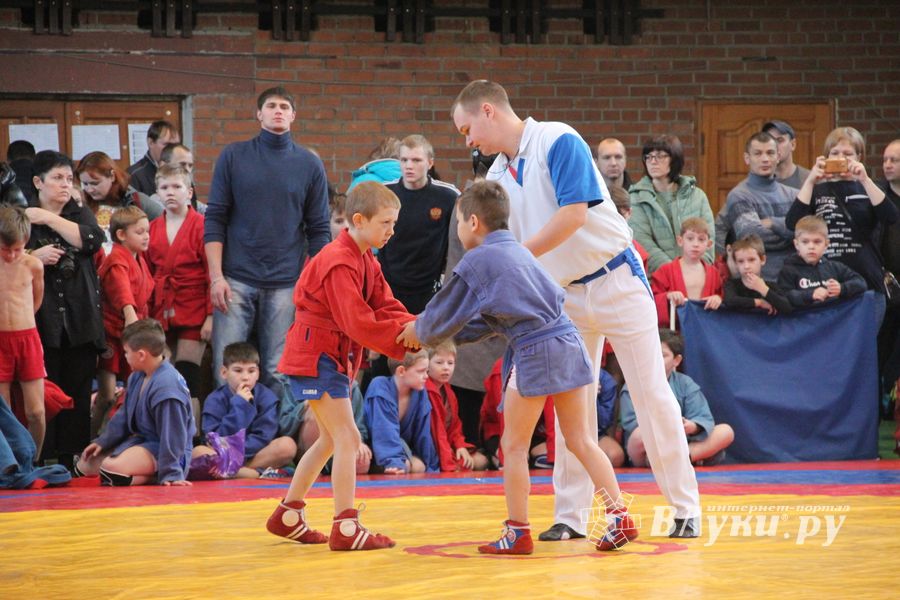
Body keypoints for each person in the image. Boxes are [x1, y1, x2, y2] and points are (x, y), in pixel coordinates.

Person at [449, 80, 700, 541]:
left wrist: (515, 258)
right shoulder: (497, 179)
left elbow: (574, 215)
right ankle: (571, 515)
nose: (468, 142)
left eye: (467, 129)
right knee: (571, 408)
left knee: (651, 393)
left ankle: (685, 508)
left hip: (616, 279)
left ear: (488, 110)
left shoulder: (556, 138)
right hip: (562, 294)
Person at [400, 180, 636, 553]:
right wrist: (439, 334)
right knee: (580, 439)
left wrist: (419, 331)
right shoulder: (519, 251)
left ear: (473, 222)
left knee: (512, 445)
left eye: (458, 222)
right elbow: (486, 321)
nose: (458, 229)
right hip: (567, 339)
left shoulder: (479, 258)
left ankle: (517, 531)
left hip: (536, 349)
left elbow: (444, 311)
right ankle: (619, 515)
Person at [265, 181, 414, 552]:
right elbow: (357, 321)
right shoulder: (338, 260)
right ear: (359, 221)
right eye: (385, 223)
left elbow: (384, 304)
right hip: (318, 355)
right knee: (348, 437)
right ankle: (345, 526)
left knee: (332, 439)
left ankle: (288, 514)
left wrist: (419, 326)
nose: (391, 231)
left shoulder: (365, 258)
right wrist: (405, 339)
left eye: (394, 223)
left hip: (327, 355)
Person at [204, 87, 330, 395]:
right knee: (227, 367)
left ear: (293, 116)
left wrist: (317, 283)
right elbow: (215, 218)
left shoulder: (309, 164)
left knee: (278, 370)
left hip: (287, 282)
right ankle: (227, 427)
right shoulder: (233, 156)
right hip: (235, 279)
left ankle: (274, 427)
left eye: (284, 106)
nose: (278, 111)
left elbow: (319, 230)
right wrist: (216, 277)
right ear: (259, 114)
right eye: (271, 105)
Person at [26, 151, 106, 470]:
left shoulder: (79, 213)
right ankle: (41, 455)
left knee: (78, 388)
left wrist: (48, 218)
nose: (65, 185)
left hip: (79, 316)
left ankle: (71, 457)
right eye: (57, 178)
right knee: (45, 390)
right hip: (41, 317)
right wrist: (34, 257)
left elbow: (93, 240)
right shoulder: (22, 216)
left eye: (69, 179)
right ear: (38, 182)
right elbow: (9, 255)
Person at [785, 127, 898, 321]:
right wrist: (811, 181)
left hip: (866, 278)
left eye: (847, 154)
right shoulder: (817, 191)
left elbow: (891, 217)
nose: (840, 158)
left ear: (858, 157)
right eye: (834, 153)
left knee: (865, 337)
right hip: (826, 282)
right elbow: (792, 223)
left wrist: (864, 179)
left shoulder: (870, 188)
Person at [77, 319, 195, 486]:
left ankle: (157, 476)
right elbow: (123, 416)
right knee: (85, 466)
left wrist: (171, 473)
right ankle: (138, 473)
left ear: (141, 355)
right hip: (141, 441)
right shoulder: (137, 376)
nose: (125, 357)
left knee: (110, 468)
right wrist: (103, 442)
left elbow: (173, 436)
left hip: (166, 449)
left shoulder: (168, 387)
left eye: (126, 352)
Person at [145, 164, 211, 402]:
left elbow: (211, 274)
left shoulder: (202, 226)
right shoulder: (151, 228)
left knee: (188, 373)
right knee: (164, 372)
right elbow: (146, 274)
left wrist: (211, 316)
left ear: (189, 192)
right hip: (160, 307)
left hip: (194, 307)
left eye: (177, 186)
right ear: (157, 193)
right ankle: (169, 421)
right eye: (164, 188)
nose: (170, 192)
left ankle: (192, 425)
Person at [620, 329, 734, 467]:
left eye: (663, 355)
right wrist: (666, 426)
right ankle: (665, 460)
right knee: (639, 435)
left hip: (684, 441)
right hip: (651, 446)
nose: (655, 360)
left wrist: (692, 426)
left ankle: (684, 458)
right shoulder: (633, 386)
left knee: (725, 431)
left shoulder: (686, 384)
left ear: (676, 360)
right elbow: (631, 424)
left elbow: (703, 418)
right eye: (651, 354)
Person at [191, 342, 296, 479]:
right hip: (223, 452)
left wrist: (237, 454)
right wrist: (239, 405)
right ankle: (252, 473)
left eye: (251, 371)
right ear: (224, 372)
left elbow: (264, 436)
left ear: (258, 373)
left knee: (287, 445)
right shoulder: (214, 399)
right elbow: (214, 438)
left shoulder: (267, 397)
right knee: (198, 452)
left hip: (254, 454)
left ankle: (232, 471)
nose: (245, 377)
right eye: (238, 371)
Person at [381, 134, 459, 314]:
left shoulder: (448, 196)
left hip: (429, 289)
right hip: (389, 286)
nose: (409, 166)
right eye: (404, 160)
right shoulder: (384, 192)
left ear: (430, 163)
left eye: (416, 160)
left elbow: (458, 242)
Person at [94, 206, 154, 437]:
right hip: (114, 333)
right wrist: (130, 314)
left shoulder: (139, 259)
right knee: (107, 396)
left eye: (147, 231)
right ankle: (91, 439)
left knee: (133, 390)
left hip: (135, 333)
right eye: (139, 232)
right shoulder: (117, 260)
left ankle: (121, 438)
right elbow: (122, 292)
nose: (146, 236)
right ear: (121, 234)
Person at [629, 135, 716, 274]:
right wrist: (674, 274)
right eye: (648, 157)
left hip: (697, 276)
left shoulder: (697, 196)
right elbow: (642, 242)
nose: (653, 161)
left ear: (674, 159)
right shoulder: (636, 198)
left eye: (660, 156)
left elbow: (708, 238)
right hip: (658, 279)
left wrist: (694, 271)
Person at [716, 132, 796, 279]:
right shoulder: (739, 195)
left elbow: (808, 232)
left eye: (770, 153)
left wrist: (772, 222)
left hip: (794, 279)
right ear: (747, 158)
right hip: (757, 281)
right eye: (758, 153)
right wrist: (792, 233)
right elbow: (753, 238)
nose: (765, 159)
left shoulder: (794, 195)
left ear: (778, 156)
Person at [0, 206, 46, 457]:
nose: (11, 255)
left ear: (26, 242)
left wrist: (22, 321)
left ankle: (34, 460)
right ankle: (8, 464)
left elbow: (36, 301)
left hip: (27, 337)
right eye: (5, 249)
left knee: (36, 411)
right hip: (1, 341)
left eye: (17, 249)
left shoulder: (33, 265)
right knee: (4, 411)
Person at [365, 349, 439, 474]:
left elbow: (424, 434)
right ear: (401, 371)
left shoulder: (420, 393)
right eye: (421, 371)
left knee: (419, 466)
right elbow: (383, 430)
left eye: (427, 371)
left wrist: (429, 463)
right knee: (406, 466)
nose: (426, 376)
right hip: (375, 448)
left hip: (403, 450)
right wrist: (394, 461)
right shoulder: (380, 386)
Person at [76, 151, 163, 255]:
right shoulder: (81, 203)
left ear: (112, 176)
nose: (89, 189)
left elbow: (164, 227)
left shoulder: (136, 200)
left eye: (95, 183)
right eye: (85, 184)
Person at [424, 341, 488, 472]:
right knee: (463, 466)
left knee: (481, 461)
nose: (446, 368)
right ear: (427, 365)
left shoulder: (449, 392)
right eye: (439, 362)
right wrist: (449, 461)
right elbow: (436, 430)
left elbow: (455, 426)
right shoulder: (425, 390)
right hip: (429, 446)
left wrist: (459, 445)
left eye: (450, 363)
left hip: (446, 443)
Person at [778, 215, 867, 308]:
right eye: (805, 242)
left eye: (817, 242)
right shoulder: (788, 270)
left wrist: (841, 288)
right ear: (796, 244)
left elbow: (861, 282)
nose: (811, 247)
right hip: (806, 315)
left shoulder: (834, 267)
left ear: (826, 244)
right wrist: (810, 295)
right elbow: (782, 296)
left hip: (834, 314)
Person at [651, 217, 723, 328]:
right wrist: (668, 296)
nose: (695, 244)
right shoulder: (665, 271)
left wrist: (718, 299)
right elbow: (651, 300)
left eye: (701, 239)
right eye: (690, 238)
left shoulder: (714, 274)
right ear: (680, 241)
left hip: (706, 330)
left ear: (709, 244)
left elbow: (722, 297)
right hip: (676, 332)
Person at [723, 234, 793, 315]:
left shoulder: (770, 286)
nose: (746, 266)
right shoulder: (731, 284)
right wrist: (759, 302)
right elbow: (730, 301)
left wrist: (763, 289)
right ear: (736, 264)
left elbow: (787, 307)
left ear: (762, 260)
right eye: (740, 261)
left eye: (751, 260)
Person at [878, 140, 900, 395]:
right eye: (885, 159)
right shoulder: (877, 196)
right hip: (886, 286)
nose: (887, 164)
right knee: (882, 349)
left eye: (894, 160)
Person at [127, 120, 181, 197]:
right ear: (151, 142)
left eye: (176, 145)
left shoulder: (182, 171)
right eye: (167, 145)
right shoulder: (134, 175)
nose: (172, 150)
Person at [153, 143, 204, 213]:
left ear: (190, 192)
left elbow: (205, 209)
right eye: (182, 164)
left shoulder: (188, 193)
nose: (188, 170)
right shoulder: (154, 203)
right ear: (163, 165)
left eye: (190, 165)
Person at [762, 120, 810, 189]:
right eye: (769, 141)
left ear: (793, 145)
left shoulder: (810, 180)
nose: (774, 145)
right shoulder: (757, 183)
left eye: (780, 140)